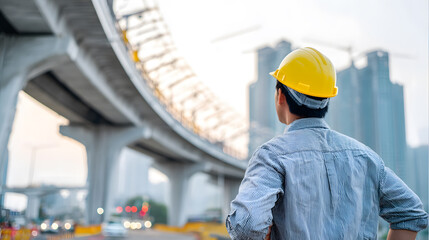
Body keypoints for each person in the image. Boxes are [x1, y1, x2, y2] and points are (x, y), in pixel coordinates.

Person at [226, 47, 428, 239]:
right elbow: (411, 213)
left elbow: (247, 226)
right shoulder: (365, 157)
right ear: (327, 99)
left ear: (280, 96)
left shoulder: (271, 156)